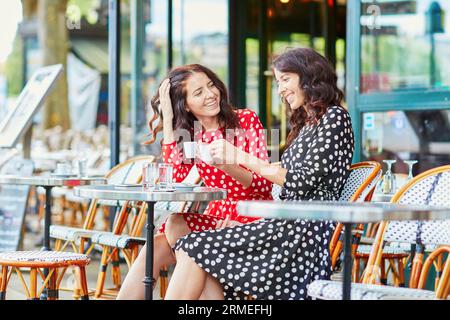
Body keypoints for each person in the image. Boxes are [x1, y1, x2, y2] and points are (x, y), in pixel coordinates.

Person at [164, 47, 355, 300]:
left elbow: (299, 182)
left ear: (309, 76)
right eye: (278, 82)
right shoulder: (307, 124)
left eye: (285, 79)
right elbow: (280, 181)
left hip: (306, 233)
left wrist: (238, 157)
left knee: (195, 248)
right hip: (284, 222)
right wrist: (168, 118)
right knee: (192, 246)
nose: (280, 90)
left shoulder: (335, 117)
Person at [117, 64, 273, 299]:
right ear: (185, 105)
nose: (211, 95)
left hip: (252, 214)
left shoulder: (245, 119)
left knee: (171, 232)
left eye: (211, 86)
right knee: (166, 233)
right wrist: (168, 121)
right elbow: (176, 181)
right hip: (216, 216)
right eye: (198, 92)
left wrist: (227, 165)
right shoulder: (191, 133)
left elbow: (264, 186)